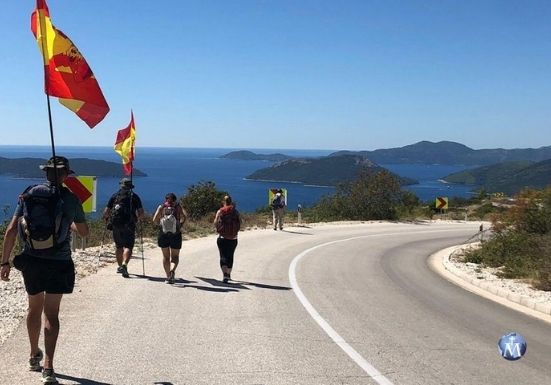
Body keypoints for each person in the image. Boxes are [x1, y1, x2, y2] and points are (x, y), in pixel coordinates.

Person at [1, 156, 89, 385]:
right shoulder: (70, 199)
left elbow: (11, 229)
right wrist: (69, 222)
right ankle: (48, 366)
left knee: (33, 308)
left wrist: (5, 262)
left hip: (31, 261)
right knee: (51, 314)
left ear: (46, 173)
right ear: (65, 175)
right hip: (59, 262)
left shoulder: (29, 194)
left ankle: (33, 355)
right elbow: (83, 232)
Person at [103, 177, 144, 278]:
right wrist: (138, 220)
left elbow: (106, 212)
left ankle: (120, 266)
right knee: (128, 246)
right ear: (130, 187)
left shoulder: (115, 196)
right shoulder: (134, 196)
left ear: (121, 185)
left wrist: (106, 219)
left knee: (119, 246)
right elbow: (141, 213)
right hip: (129, 225)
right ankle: (125, 265)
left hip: (116, 224)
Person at [152, 193, 187, 284]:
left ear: (166, 199)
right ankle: (172, 271)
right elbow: (185, 216)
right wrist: (181, 225)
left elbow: (154, 219)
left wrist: (160, 226)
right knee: (175, 256)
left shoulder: (161, 206)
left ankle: (168, 276)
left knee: (165, 256)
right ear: (175, 199)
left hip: (163, 234)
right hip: (176, 233)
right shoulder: (178, 206)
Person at [214, 195, 241, 283]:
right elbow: (240, 222)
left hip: (222, 237)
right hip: (233, 238)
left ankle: (224, 275)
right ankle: (228, 274)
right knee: (230, 256)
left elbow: (215, 222)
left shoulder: (220, 211)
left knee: (223, 256)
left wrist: (218, 228)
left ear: (223, 202)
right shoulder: (235, 211)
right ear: (231, 201)